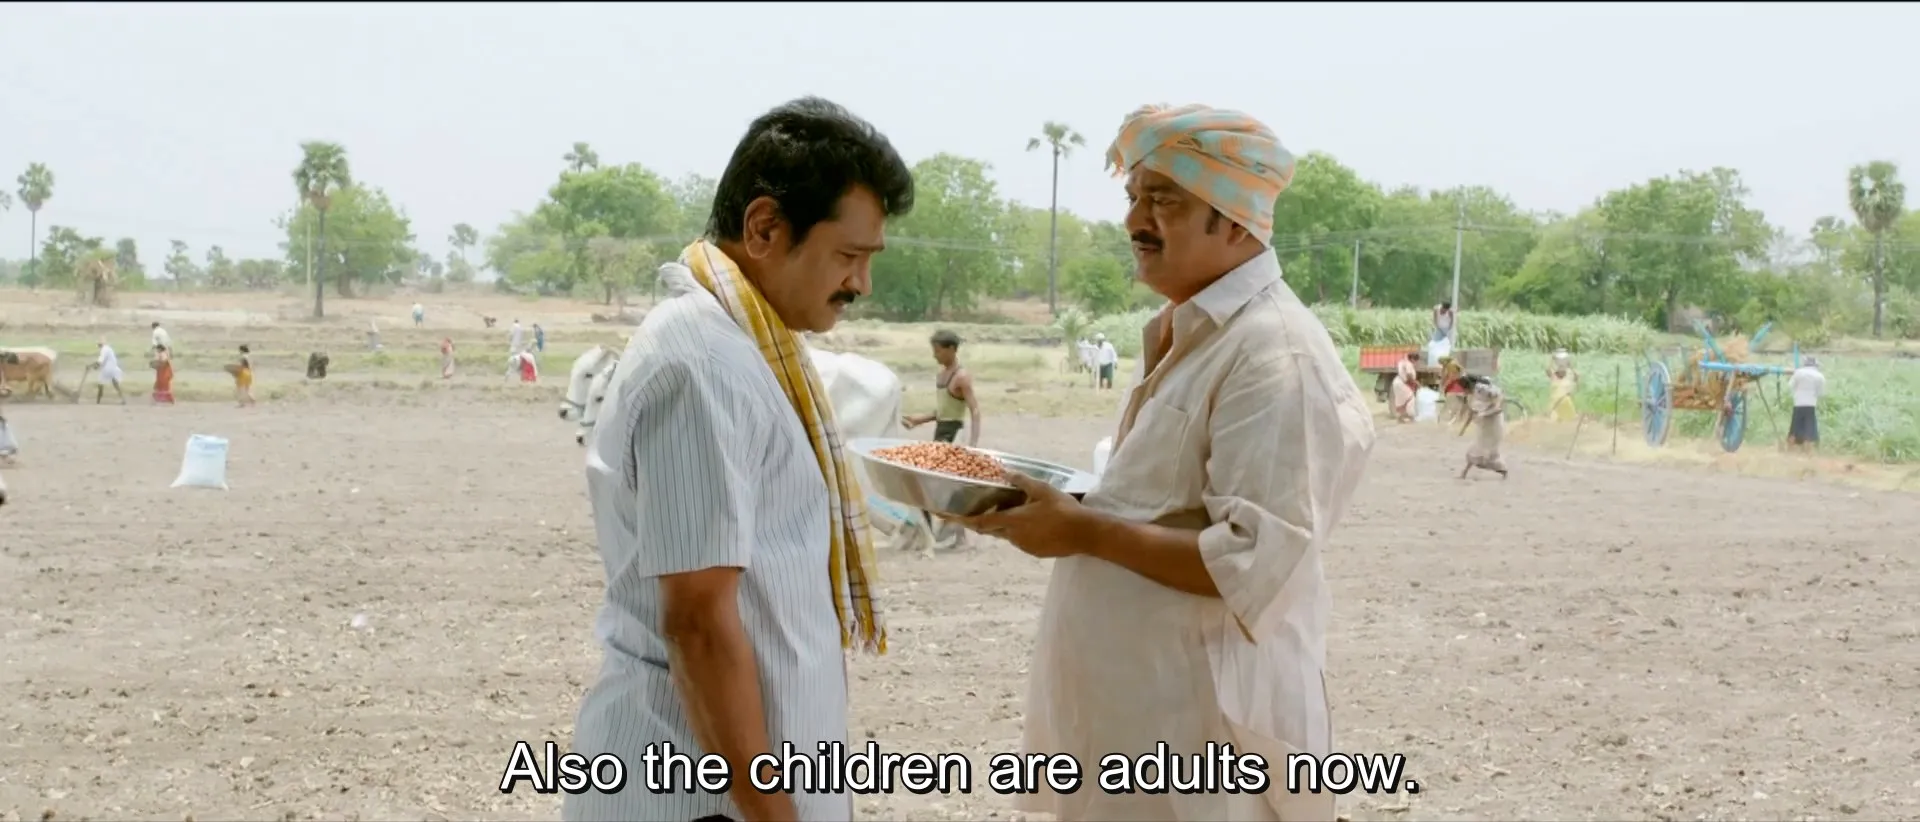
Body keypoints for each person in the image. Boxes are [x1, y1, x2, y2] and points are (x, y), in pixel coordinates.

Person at [951, 103, 1373, 822]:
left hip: (1204, 756)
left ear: (1235, 221)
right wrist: (1067, 510)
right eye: (1133, 197)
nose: (1135, 221)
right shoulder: (1196, 333)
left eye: (1164, 200)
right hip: (1142, 738)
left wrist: (1084, 533)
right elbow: (1164, 507)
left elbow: (1251, 563)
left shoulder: (1275, 354)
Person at [565, 96, 914, 822]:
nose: (861, 284)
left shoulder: (749, 350)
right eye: (848, 256)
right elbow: (697, 620)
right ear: (764, 228)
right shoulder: (704, 363)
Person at [903, 330, 981, 447]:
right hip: (941, 430)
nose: (934, 355)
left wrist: (973, 444)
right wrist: (919, 420)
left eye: (938, 351)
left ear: (951, 349)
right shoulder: (941, 375)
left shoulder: (961, 377)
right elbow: (945, 411)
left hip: (954, 433)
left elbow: (975, 410)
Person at [1457, 374, 1509, 478]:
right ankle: (1464, 472)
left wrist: (1488, 411)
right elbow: (1472, 412)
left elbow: (1498, 401)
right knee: (1475, 449)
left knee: (1485, 452)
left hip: (1494, 423)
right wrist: (1463, 428)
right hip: (1484, 423)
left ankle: (1502, 470)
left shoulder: (1483, 389)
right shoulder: (1471, 396)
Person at [1788, 356, 1826, 452]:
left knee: (1795, 426)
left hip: (1798, 403)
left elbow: (1791, 385)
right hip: (1811, 403)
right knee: (1809, 426)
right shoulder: (1819, 376)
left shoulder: (1798, 373)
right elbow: (1820, 392)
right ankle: (1808, 450)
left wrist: (1797, 393)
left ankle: (1790, 449)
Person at [85, 340, 126, 405]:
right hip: (114, 368)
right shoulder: (108, 349)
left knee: (100, 385)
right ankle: (123, 399)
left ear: (100, 345)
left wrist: (90, 366)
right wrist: (94, 366)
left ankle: (98, 401)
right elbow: (101, 362)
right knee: (115, 384)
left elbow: (99, 362)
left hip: (107, 369)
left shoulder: (103, 350)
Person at [1545, 348, 1579, 422]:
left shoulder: (1569, 376)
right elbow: (1547, 370)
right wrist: (1552, 359)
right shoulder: (1554, 375)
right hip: (1555, 406)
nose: (1561, 368)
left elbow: (1577, 376)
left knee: (1568, 421)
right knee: (1554, 422)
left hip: (1566, 405)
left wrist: (1570, 364)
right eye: (1560, 367)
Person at [1391, 351, 1420, 422]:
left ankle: (1401, 417)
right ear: (1412, 359)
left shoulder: (1402, 362)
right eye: (1416, 360)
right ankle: (1410, 416)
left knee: (1401, 400)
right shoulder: (1409, 364)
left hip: (1397, 382)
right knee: (1410, 398)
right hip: (1401, 383)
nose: (1416, 362)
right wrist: (1416, 383)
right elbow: (1409, 376)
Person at [1440, 356, 1469, 424]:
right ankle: (1457, 420)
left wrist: (1445, 384)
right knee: (1459, 407)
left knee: (1452, 407)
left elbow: (1449, 378)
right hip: (1459, 390)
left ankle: (1452, 420)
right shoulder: (1457, 367)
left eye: (1442, 363)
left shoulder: (1450, 367)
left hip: (1453, 390)